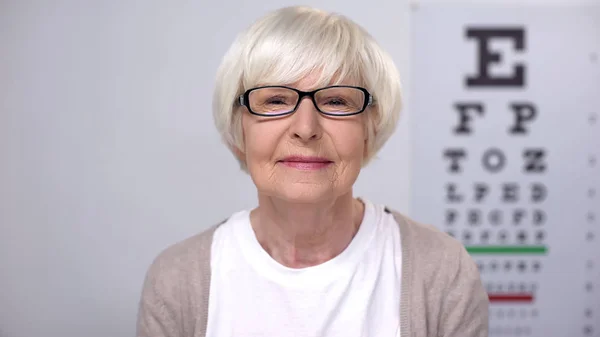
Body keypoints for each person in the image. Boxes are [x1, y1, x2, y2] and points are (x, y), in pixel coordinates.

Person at [136, 5, 489, 337]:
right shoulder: (178, 282)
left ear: (370, 129)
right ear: (237, 130)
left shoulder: (442, 272)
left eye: (336, 101)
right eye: (275, 100)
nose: (305, 128)